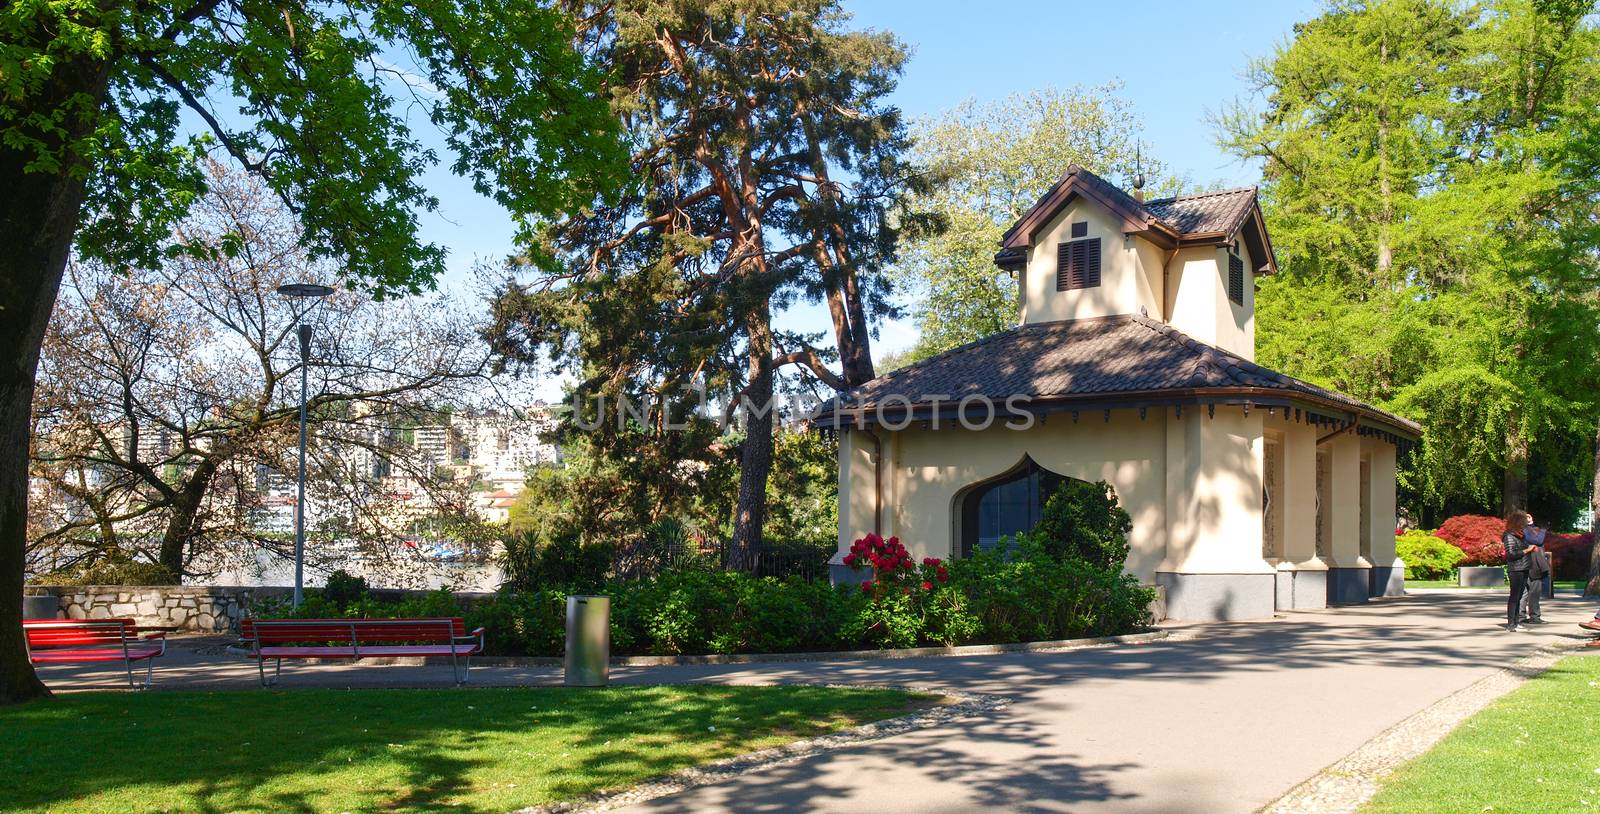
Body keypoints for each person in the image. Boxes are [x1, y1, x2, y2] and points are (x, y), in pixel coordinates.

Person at [1502, 510, 1538, 631]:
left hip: (1524, 567)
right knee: (1514, 597)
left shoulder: (1520, 535)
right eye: (1523, 521)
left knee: (1519, 597)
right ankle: (1511, 624)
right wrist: (1527, 550)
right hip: (1516, 569)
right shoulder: (1509, 535)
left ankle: (1516, 622)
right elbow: (1511, 554)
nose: (1525, 524)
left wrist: (1530, 549)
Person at [1519, 516, 1548, 624]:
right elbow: (1538, 540)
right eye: (1526, 517)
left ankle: (1521, 615)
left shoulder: (1525, 530)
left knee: (1525, 591)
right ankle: (1534, 616)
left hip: (1528, 563)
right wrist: (1544, 529)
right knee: (1534, 591)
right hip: (1533, 564)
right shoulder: (1524, 530)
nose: (1529, 517)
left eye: (1530, 516)